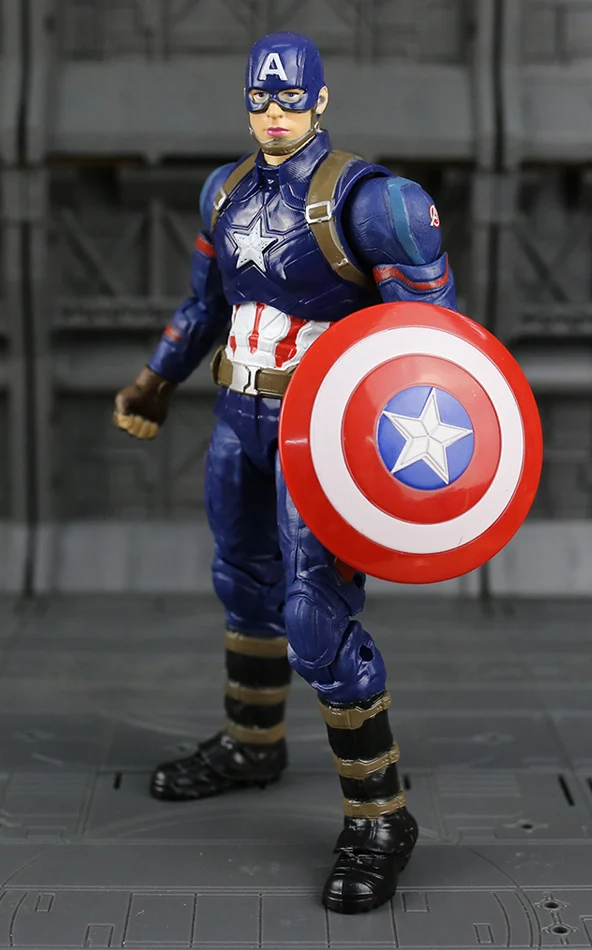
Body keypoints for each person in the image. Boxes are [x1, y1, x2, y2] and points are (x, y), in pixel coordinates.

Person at [114, 31, 458, 914]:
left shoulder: (376, 204)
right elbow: (204, 307)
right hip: (239, 416)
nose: (275, 113)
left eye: (291, 98)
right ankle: (252, 742)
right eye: (260, 99)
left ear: (321, 99)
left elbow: (434, 350)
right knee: (244, 582)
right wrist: (157, 380)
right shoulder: (223, 191)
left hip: (323, 434)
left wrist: (405, 462)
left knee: (316, 618)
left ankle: (381, 819)